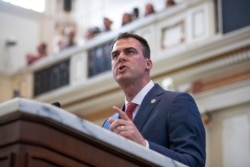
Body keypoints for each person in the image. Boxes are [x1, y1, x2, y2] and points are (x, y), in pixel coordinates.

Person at [102, 32, 206, 167]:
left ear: (148, 64)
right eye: (115, 55)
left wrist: (144, 146)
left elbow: (194, 163)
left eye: (129, 52)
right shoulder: (108, 125)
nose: (120, 57)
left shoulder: (176, 103)